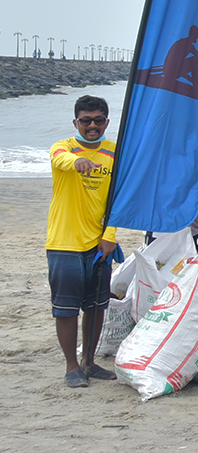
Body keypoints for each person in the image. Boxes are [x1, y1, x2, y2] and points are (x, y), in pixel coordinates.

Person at [46, 95, 121, 387]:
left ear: (106, 122)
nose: (92, 125)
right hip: (64, 241)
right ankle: (71, 366)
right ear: (76, 121)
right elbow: (59, 158)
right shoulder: (64, 148)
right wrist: (77, 161)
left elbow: (119, 200)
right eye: (86, 120)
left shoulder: (116, 152)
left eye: (98, 120)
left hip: (99, 243)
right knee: (65, 307)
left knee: (96, 305)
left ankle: (90, 362)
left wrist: (110, 237)